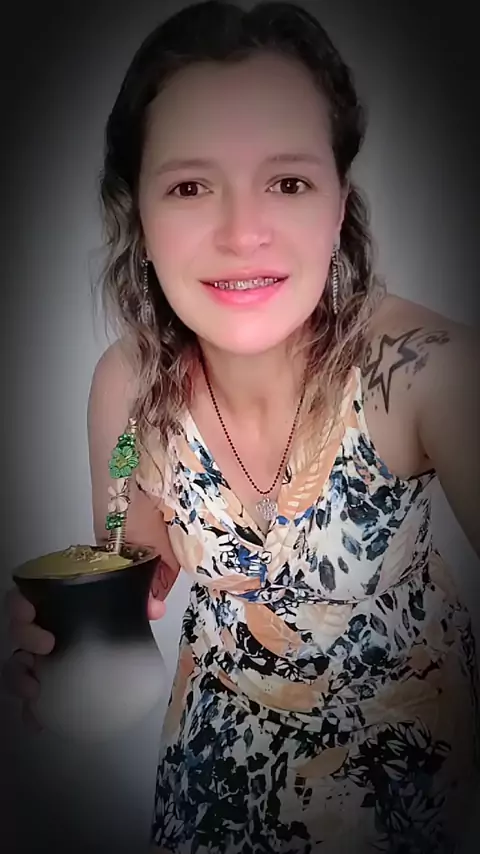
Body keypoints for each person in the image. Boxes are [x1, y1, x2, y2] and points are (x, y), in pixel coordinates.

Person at [3, 1, 480, 851]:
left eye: (288, 182)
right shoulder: (125, 393)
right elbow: (130, 572)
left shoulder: (430, 373)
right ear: (140, 217)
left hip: (409, 788)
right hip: (214, 778)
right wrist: (68, 642)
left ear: (338, 204)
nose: (242, 233)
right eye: (190, 187)